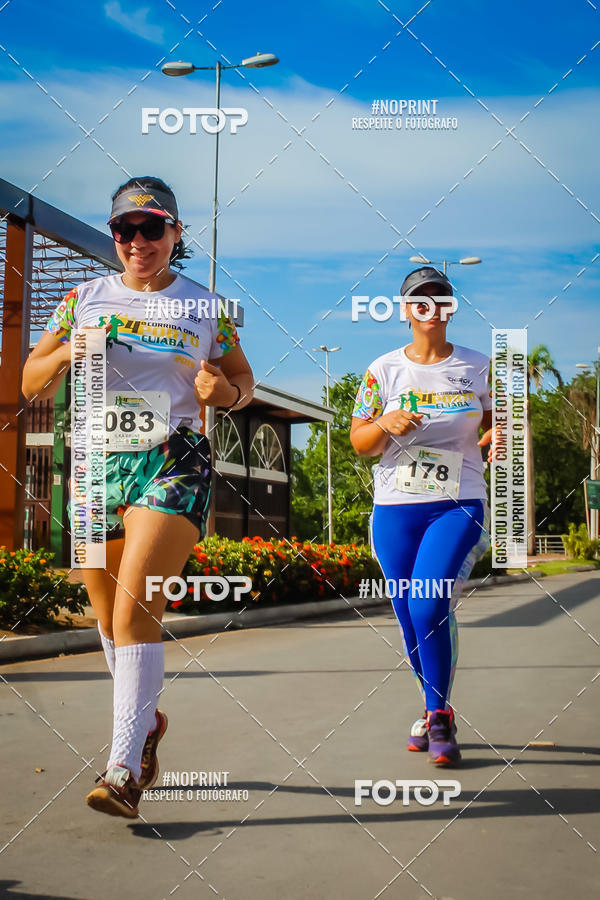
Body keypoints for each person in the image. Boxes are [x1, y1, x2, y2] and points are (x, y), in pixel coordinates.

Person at [22, 176, 254, 815]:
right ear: (115, 235)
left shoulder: (205, 308)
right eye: (126, 230)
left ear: (175, 235)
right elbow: (27, 381)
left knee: (134, 612)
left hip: (173, 461)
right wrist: (71, 350)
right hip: (98, 465)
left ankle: (122, 770)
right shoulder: (82, 299)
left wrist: (222, 395)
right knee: (105, 618)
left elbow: (242, 381)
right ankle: (146, 724)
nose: (138, 242)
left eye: (153, 229)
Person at [350, 266, 494, 766]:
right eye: (420, 299)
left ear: (451, 308)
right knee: (409, 614)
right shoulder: (382, 370)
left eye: (440, 298)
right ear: (406, 310)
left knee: (430, 603)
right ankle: (436, 709)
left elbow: (501, 417)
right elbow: (360, 443)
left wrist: (498, 434)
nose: (430, 306)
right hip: (394, 509)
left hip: (458, 502)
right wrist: (385, 423)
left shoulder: (478, 367)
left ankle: (437, 716)